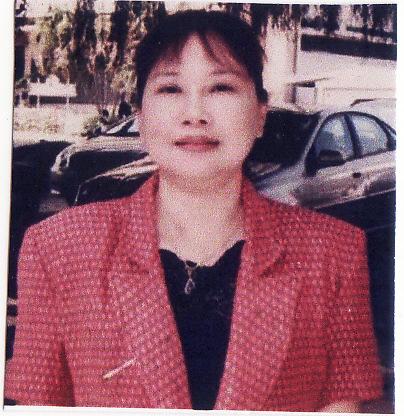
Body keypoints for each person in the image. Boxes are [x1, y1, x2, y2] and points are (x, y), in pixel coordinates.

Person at [5, 10, 382, 412]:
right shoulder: (58, 249)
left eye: (221, 87)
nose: (195, 114)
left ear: (260, 114)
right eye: (171, 89)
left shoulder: (334, 253)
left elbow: (341, 405)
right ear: (140, 117)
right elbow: (36, 406)